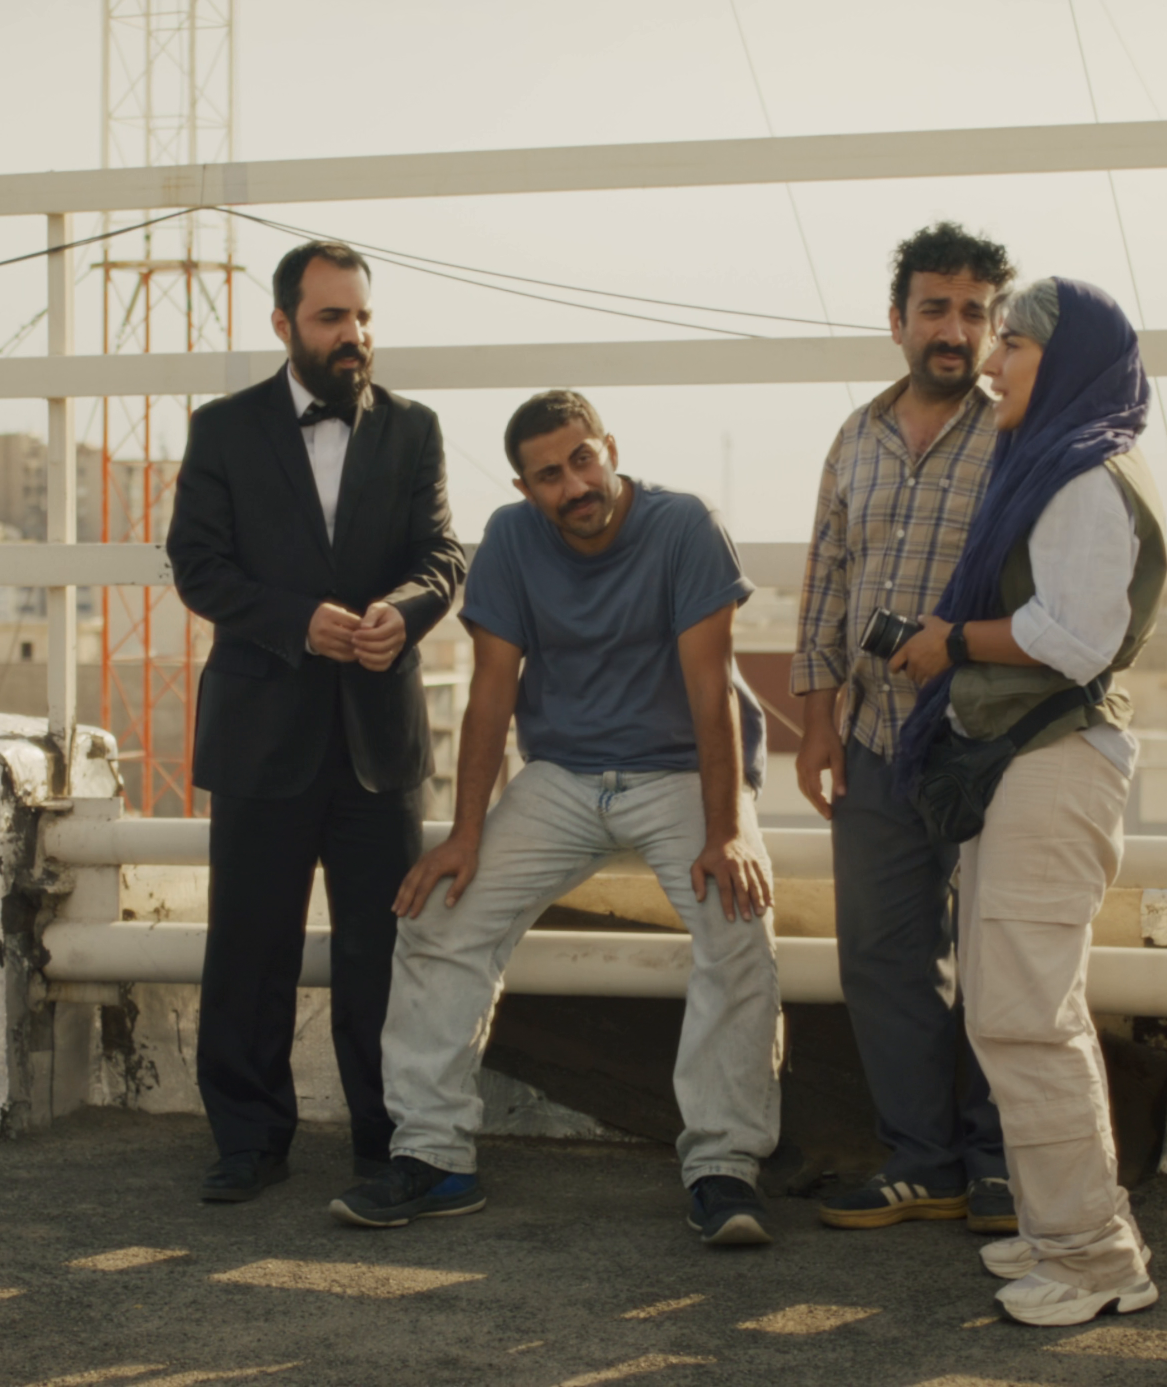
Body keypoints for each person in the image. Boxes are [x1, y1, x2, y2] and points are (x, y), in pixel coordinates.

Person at [334, 389, 781, 1246]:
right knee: (440, 913)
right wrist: (465, 834)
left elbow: (710, 689)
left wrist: (726, 829)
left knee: (738, 925)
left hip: (680, 770)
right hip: (563, 776)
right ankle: (434, 1156)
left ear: (609, 447)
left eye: (582, 459)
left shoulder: (686, 525)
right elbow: (491, 692)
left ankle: (724, 1166)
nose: (574, 484)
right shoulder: (510, 538)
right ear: (524, 486)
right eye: (549, 475)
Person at [887, 277, 1167, 1327]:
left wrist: (951, 641)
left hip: (1054, 762)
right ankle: (1062, 1229)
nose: (993, 363)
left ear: (1070, 359)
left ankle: (1095, 1258)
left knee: (1025, 1016)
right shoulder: (1063, 458)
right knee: (1019, 1010)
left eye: (1013, 345)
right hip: (1034, 761)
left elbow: (1074, 635)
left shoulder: (1083, 474)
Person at [165, 240, 467, 1204]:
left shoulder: (414, 429)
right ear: (284, 324)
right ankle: (248, 1140)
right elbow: (198, 566)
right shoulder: (222, 429)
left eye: (363, 316)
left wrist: (404, 613)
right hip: (261, 729)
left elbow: (442, 555)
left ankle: (388, 1138)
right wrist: (299, 622)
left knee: (385, 952)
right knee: (250, 945)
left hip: (380, 737)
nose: (354, 334)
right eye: (332, 317)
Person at [789, 222, 1020, 1235]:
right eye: (935, 308)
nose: (953, 330)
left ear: (993, 328)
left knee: (998, 955)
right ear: (898, 320)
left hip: (988, 742)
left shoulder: (1016, 439)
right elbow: (825, 584)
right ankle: (924, 1161)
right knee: (881, 958)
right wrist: (816, 725)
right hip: (875, 740)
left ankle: (1003, 1164)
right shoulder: (856, 437)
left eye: (974, 313)